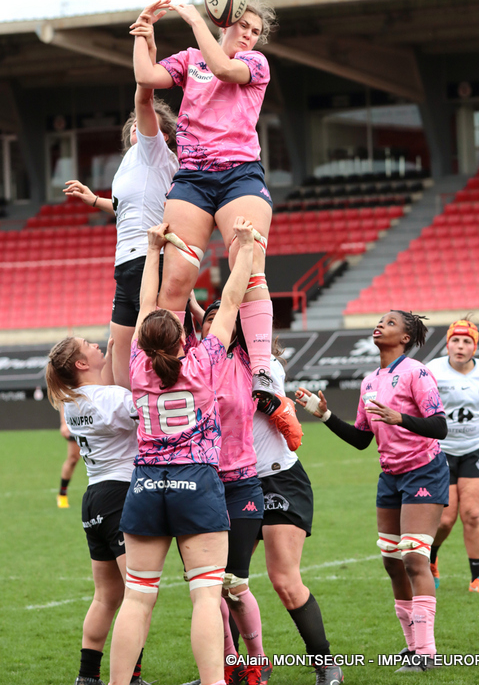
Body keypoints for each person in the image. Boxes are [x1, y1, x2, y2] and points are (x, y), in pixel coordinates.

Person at [108, 217, 255, 685]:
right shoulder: (206, 361)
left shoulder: (135, 362)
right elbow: (231, 299)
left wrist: (152, 250)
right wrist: (246, 247)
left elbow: (147, 304)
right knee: (206, 596)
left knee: (137, 596)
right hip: (197, 483)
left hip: (146, 484)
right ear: (177, 337)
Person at [129, 0, 279, 408]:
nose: (249, 35)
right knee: (175, 281)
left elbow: (224, 68)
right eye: (243, 26)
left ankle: (263, 370)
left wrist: (195, 19)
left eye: (254, 31)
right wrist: (144, 36)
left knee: (249, 268)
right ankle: (168, 362)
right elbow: (146, 76)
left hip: (240, 175)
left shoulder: (256, 64)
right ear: (225, 22)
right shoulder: (189, 58)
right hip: (193, 179)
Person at [296, 311, 449, 673]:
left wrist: (402, 419)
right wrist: (325, 415)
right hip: (390, 476)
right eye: (379, 321)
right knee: (392, 562)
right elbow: (363, 440)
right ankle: (412, 649)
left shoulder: (417, 372)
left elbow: (440, 426)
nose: (380, 325)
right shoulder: (369, 382)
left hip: (423, 471)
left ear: (406, 337)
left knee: (414, 557)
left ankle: (427, 652)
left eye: (391, 323)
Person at [64, 8, 178, 390]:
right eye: (133, 125)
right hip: (126, 262)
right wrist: (94, 200)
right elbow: (130, 207)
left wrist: (144, 41)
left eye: (144, 124)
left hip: (152, 261)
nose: (137, 125)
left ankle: (170, 416)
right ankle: (129, 427)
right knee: (117, 348)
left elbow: (144, 95)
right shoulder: (129, 164)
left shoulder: (156, 152)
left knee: (156, 347)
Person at [46, 337, 150, 685]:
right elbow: (151, 411)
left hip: (94, 497)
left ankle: (87, 677)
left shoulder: (72, 401)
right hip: (121, 495)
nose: (96, 345)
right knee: (138, 595)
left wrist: (111, 355)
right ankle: (130, 679)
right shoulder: (112, 397)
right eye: (87, 345)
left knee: (107, 597)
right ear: (80, 363)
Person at [189, 298, 273, 685]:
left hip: (241, 483)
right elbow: (184, 316)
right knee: (208, 586)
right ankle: (228, 660)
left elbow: (258, 312)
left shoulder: (248, 362)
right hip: (200, 483)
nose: (216, 322)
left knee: (234, 583)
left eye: (223, 318)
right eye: (209, 317)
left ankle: (258, 660)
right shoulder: (190, 363)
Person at [253, 342, 342, 685]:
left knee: (284, 581)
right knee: (218, 584)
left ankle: (326, 665)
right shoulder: (209, 364)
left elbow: (263, 396)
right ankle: (238, 669)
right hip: (233, 481)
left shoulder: (265, 363)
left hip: (278, 480)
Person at [427, 318, 479, 595]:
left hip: (476, 449)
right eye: (456, 340)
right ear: (448, 343)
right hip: (440, 451)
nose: (460, 346)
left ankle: (477, 579)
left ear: (475, 346)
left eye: (467, 341)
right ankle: (432, 559)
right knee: (445, 519)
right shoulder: (431, 371)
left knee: (473, 514)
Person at [57, 404, 81, 508]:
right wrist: (64, 423)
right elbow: (63, 398)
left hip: (96, 419)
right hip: (77, 420)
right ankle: (62, 494)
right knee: (73, 459)